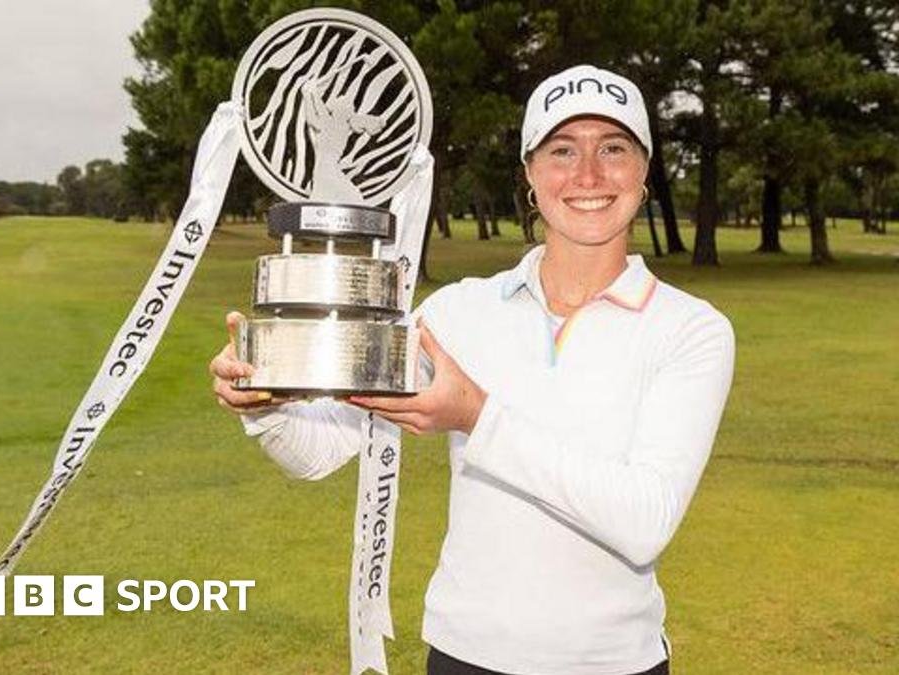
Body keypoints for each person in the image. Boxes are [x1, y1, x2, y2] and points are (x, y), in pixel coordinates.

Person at [210, 64, 735, 675]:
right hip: (465, 655)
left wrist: (478, 416)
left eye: (613, 149)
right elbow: (321, 448)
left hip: (615, 662)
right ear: (531, 178)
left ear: (644, 174)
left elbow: (644, 522)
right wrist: (266, 402)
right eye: (562, 150)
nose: (588, 174)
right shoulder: (458, 311)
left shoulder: (691, 329)